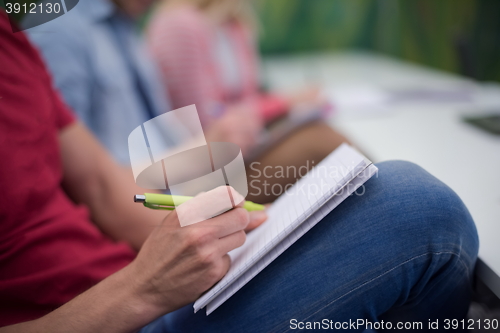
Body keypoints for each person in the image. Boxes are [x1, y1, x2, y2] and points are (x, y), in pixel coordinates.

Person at [0, 11, 479, 332]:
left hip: (133, 265)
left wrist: (253, 232)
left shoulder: (17, 40)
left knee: (363, 188)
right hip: (117, 305)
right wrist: (141, 286)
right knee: (415, 205)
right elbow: (141, 172)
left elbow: (108, 189)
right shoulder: (70, 30)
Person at [25, 0, 349, 203]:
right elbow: (82, 181)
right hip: (154, 198)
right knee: (320, 144)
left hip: (178, 178)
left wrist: (205, 145)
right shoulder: (59, 31)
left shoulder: (125, 28)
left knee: (322, 150)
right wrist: (205, 147)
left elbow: (159, 133)